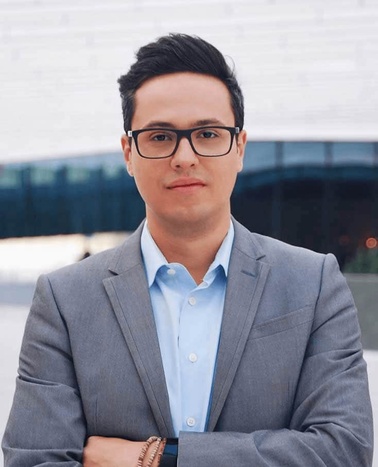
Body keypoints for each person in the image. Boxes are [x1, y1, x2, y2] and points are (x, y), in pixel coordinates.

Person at [2, 33, 373, 467]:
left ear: (239, 148)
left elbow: (342, 451)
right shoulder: (66, 301)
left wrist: (160, 458)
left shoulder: (313, 285)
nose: (184, 157)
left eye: (207, 133)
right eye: (160, 137)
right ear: (128, 153)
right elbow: (35, 460)